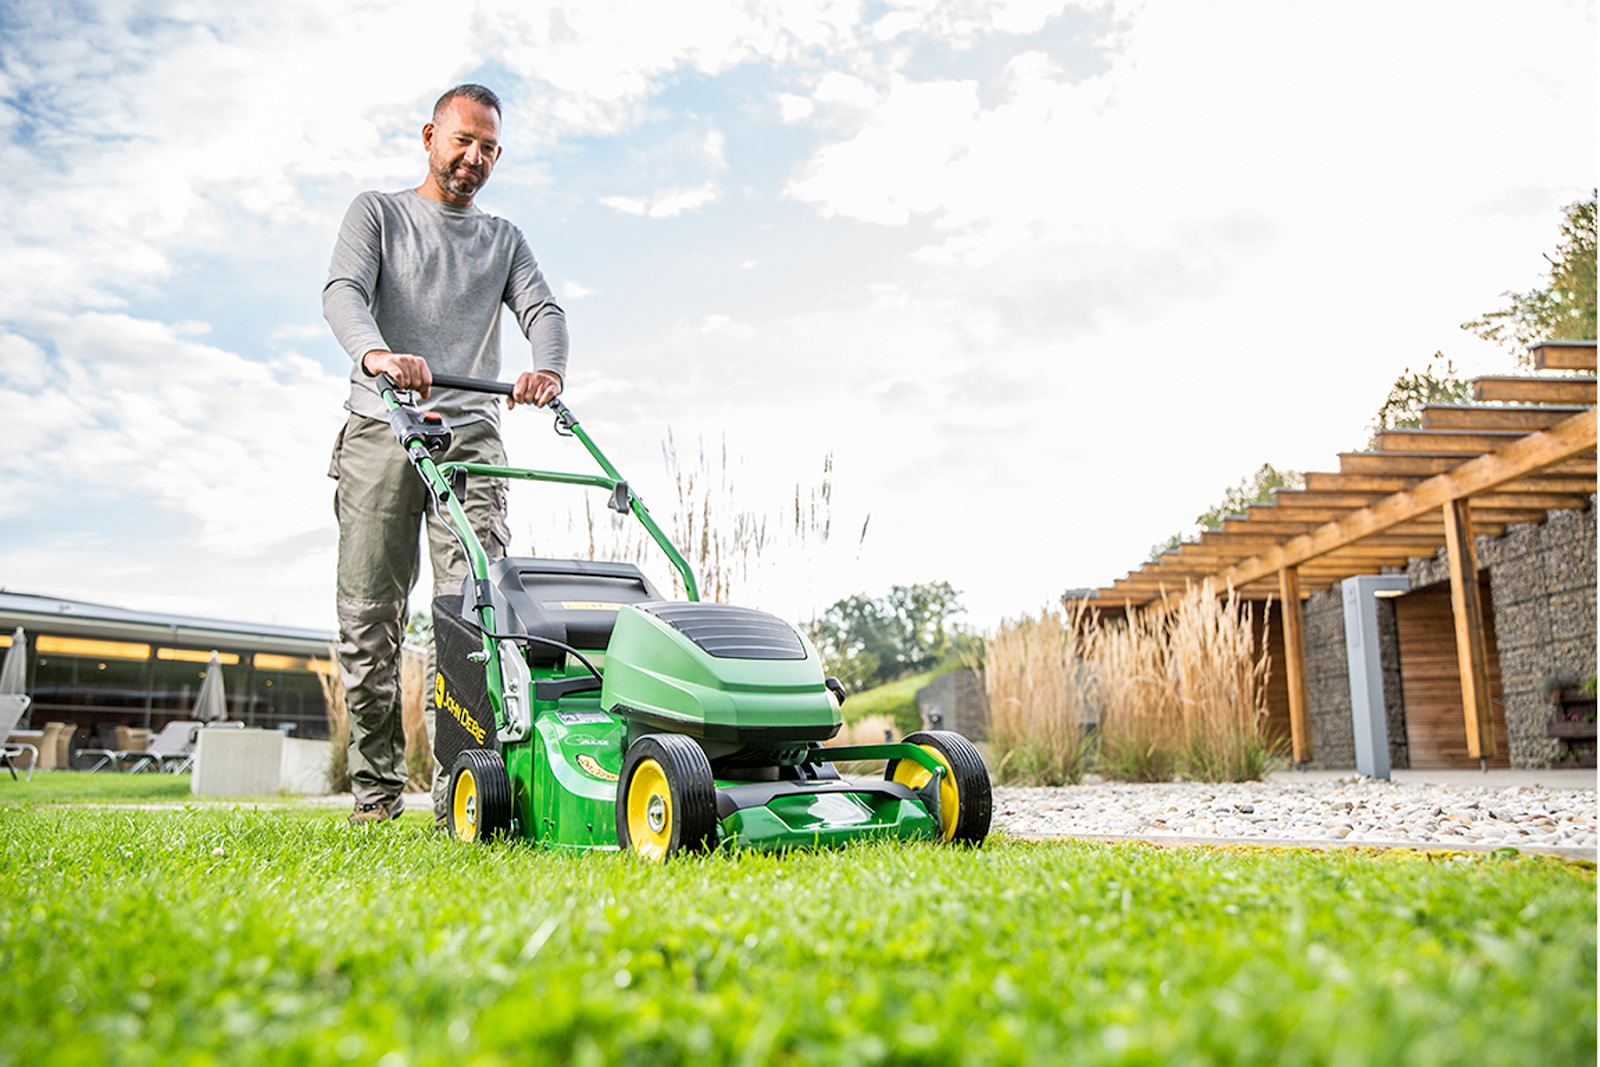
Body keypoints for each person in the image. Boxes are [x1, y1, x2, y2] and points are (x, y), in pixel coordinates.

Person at [323, 83, 568, 826]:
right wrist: (376, 354)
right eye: (464, 140)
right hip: (382, 426)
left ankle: (466, 792)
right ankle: (374, 794)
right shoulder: (379, 212)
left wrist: (547, 368)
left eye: (489, 147)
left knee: (474, 618)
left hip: (472, 440)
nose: (475, 158)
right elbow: (342, 291)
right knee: (370, 619)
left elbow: (543, 310)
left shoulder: (504, 238)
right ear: (430, 135)